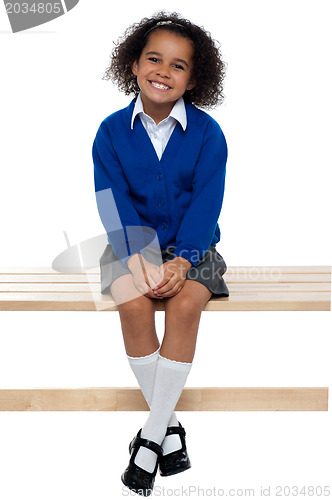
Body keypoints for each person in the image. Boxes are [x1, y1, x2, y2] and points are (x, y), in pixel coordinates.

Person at [92, 11, 229, 496]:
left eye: (178, 66)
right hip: (130, 249)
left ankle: (150, 437)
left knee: (185, 305)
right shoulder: (110, 132)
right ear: (133, 64)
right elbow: (111, 198)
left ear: (194, 79)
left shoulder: (209, 135)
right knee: (132, 304)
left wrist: (183, 260)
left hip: (195, 249)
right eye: (154, 59)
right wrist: (136, 257)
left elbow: (208, 201)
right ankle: (168, 427)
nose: (163, 72)